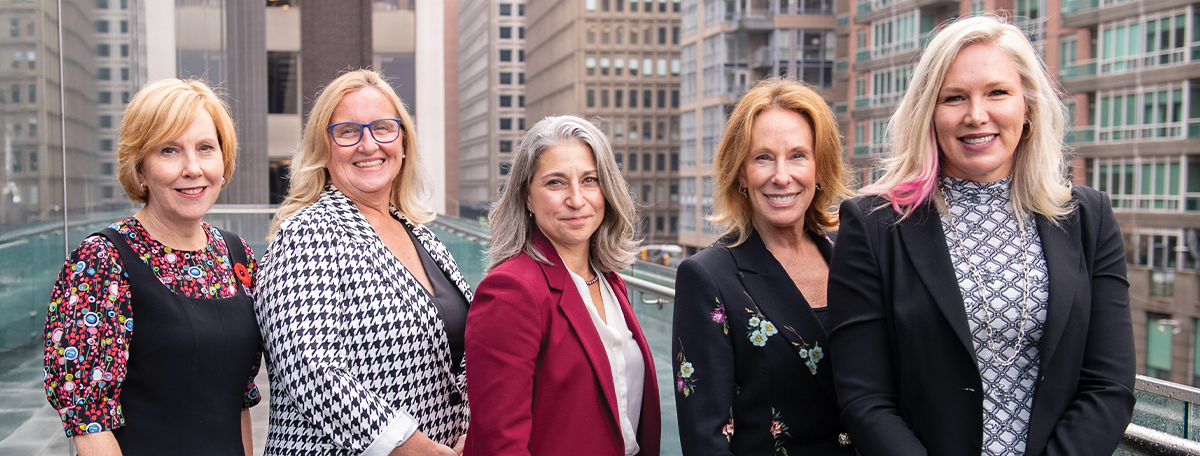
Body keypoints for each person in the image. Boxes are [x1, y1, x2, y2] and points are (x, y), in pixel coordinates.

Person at [827, 15, 1136, 456]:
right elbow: (864, 399)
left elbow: (1110, 385)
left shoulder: (1088, 218)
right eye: (954, 97)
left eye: (998, 92)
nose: (977, 115)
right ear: (928, 114)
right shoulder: (874, 226)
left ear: (1027, 106)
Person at [256, 69, 471, 455]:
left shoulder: (424, 237)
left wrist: (473, 424)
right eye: (348, 131)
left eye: (384, 128)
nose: (368, 144)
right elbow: (311, 372)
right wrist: (415, 448)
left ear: (403, 142)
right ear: (324, 149)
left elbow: (460, 353)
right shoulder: (305, 234)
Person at [43, 78, 261, 455]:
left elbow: (237, 398)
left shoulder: (236, 254)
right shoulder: (102, 261)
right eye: (169, 150)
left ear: (224, 161)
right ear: (140, 168)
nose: (193, 168)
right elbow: (89, 422)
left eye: (206, 148)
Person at [670, 78, 854, 455]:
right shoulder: (708, 278)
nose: (781, 176)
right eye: (763, 157)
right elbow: (705, 439)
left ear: (821, 167)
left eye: (798, 155)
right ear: (740, 172)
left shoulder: (852, 256)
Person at [463, 115, 661, 455]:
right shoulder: (511, 291)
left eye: (590, 180)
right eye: (555, 183)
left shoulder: (610, 281)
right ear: (527, 196)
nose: (576, 199)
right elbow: (500, 443)